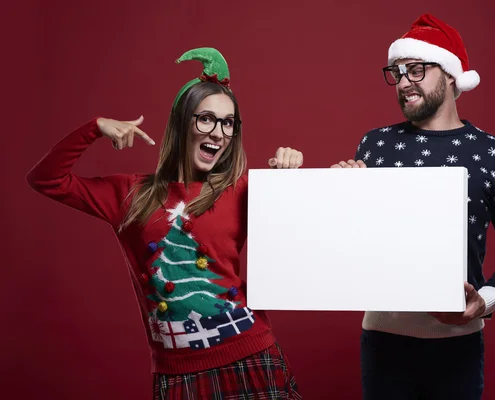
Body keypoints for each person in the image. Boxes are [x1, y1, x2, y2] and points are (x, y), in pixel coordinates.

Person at [27, 47, 303, 400]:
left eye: (228, 122)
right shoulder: (130, 194)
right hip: (178, 377)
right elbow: (46, 179)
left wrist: (290, 174)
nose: (218, 132)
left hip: (250, 358)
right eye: (206, 118)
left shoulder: (241, 188)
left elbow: (303, 239)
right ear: (181, 122)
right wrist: (94, 128)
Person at [331, 14, 495, 400]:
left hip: (458, 345)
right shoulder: (375, 145)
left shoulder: (492, 153)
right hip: (382, 341)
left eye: (416, 70)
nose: (404, 81)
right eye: (397, 72)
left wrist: (484, 300)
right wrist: (340, 193)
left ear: (449, 74)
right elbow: (351, 243)